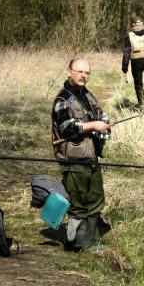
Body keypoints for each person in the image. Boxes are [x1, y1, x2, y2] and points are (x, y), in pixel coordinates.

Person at [51, 57, 111, 251]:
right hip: (73, 159)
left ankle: (90, 241)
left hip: (91, 156)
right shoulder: (62, 99)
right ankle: (75, 243)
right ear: (69, 72)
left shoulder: (87, 95)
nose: (84, 76)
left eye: (87, 73)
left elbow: (99, 112)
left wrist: (103, 122)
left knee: (96, 198)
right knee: (78, 202)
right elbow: (66, 128)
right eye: (80, 72)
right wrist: (93, 125)